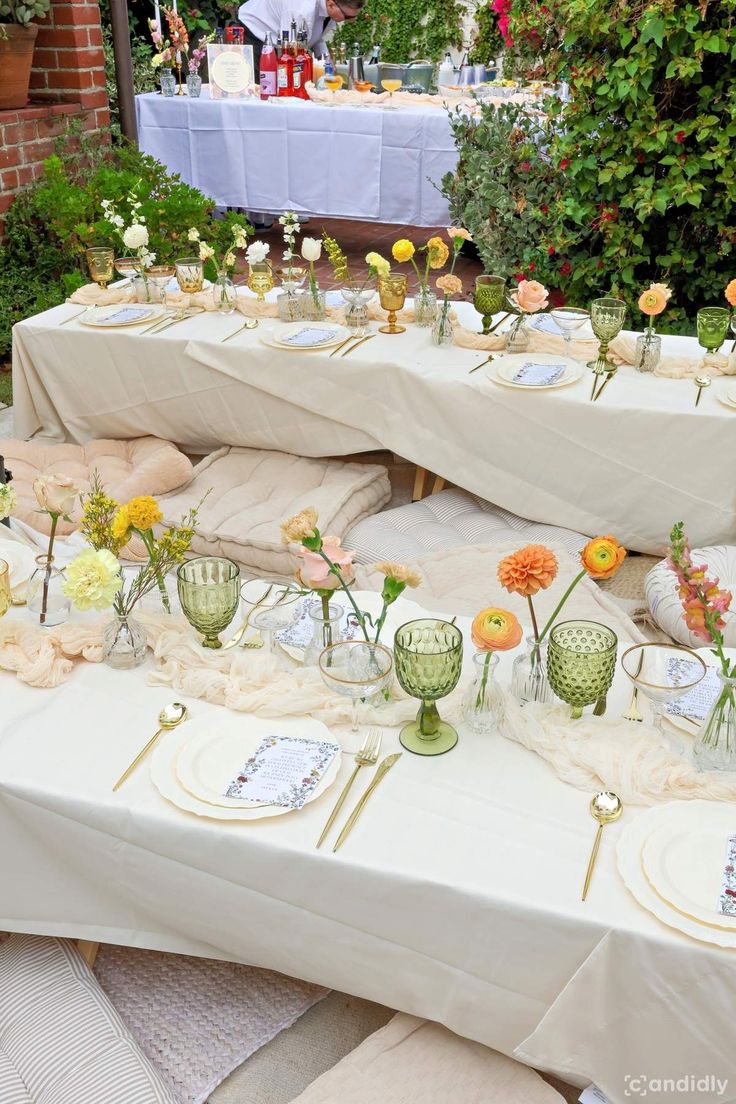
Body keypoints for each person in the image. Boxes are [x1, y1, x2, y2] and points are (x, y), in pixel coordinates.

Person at [237, 0, 365, 74]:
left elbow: (315, 37)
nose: (352, 21)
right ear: (331, 4)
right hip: (255, 34)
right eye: (348, 17)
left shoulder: (329, 7)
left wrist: (326, 60)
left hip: (280, 42)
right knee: (264, 90)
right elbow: (291, 52)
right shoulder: (300, 9)